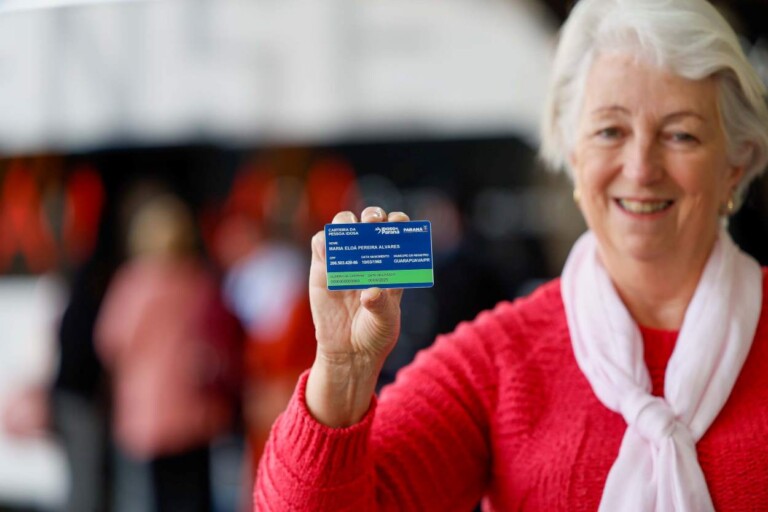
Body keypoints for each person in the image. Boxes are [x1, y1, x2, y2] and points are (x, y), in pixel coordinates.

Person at [253, 0, 768, 510]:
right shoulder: (496, 362)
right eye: (610, 131)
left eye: (680, 134)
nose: (640, 168)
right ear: (572, 152)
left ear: (737, 163)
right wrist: (341, 376)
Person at [96, 193, 241, 512]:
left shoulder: (134, 283)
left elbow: (110, 342)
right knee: (197, 493)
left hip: (149, 407)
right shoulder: (199, 280)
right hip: (195, 403)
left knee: (158, 495)